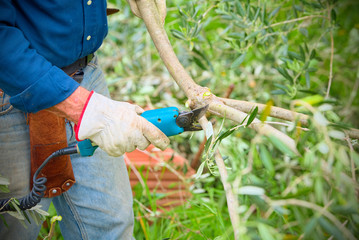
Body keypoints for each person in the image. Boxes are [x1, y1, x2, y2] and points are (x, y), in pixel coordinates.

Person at [0, 0, 168, 239]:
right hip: (10, 90)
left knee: (112, 229)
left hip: (86, 73)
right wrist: (88, 110)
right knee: (13, 230)